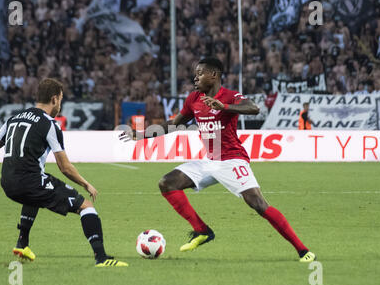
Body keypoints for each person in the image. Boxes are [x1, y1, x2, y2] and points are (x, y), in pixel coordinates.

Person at [120, 57, 315, 263]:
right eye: (195, 74)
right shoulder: (194, 99)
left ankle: (303, 250)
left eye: (200, 73)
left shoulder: (230, 96)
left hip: (232, 160)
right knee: (167, 183)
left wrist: (224, 107)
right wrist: (142, 134)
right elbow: (175, 124)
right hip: (209, 162)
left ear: (213, 75)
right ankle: (202, 230)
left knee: (258, 204)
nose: (195, 78)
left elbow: (253, 108)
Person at [0, 78, 127, 267]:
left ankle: (22, 243)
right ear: (54, 99)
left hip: (7, 182)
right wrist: (86, 184)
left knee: (33, 195)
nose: (60, 104)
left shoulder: (14, 118)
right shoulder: (50, 124)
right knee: (85, 206)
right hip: (29, 182)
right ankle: (101, 258)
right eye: (60, 99)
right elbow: (64, 167)